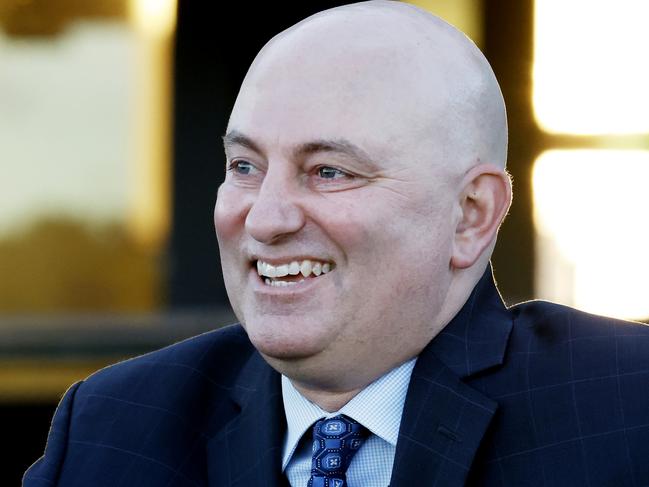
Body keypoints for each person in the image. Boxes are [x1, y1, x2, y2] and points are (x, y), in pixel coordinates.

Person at [25, 2, 649, 486]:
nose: (265, 219)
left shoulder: (626, 407)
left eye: (329, 171)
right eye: (244, 166)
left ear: (470, 214)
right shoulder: (113, 427)